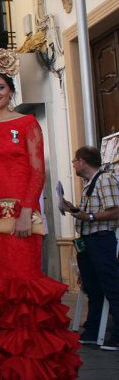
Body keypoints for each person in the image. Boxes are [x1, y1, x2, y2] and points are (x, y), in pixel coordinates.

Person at [0, 51, 81, 377]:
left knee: (24, 285)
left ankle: (32, 366)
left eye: (0, 87)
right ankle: (1, 366)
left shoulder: (28, 123)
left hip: (21, 220)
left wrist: (26, 210)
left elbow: (37, 171)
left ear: (10, 89)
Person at [64, 145, 119, 351]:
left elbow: (115, 211)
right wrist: (73, 209)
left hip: (101, 239)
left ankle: (117, 335)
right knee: (92, 287)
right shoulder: (89, 183)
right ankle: (93, 331)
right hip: (89, 241)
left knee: (111, 286)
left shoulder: (104, 180)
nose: (73, 165)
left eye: (74, 161)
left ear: (82, 161)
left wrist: (89, 217)